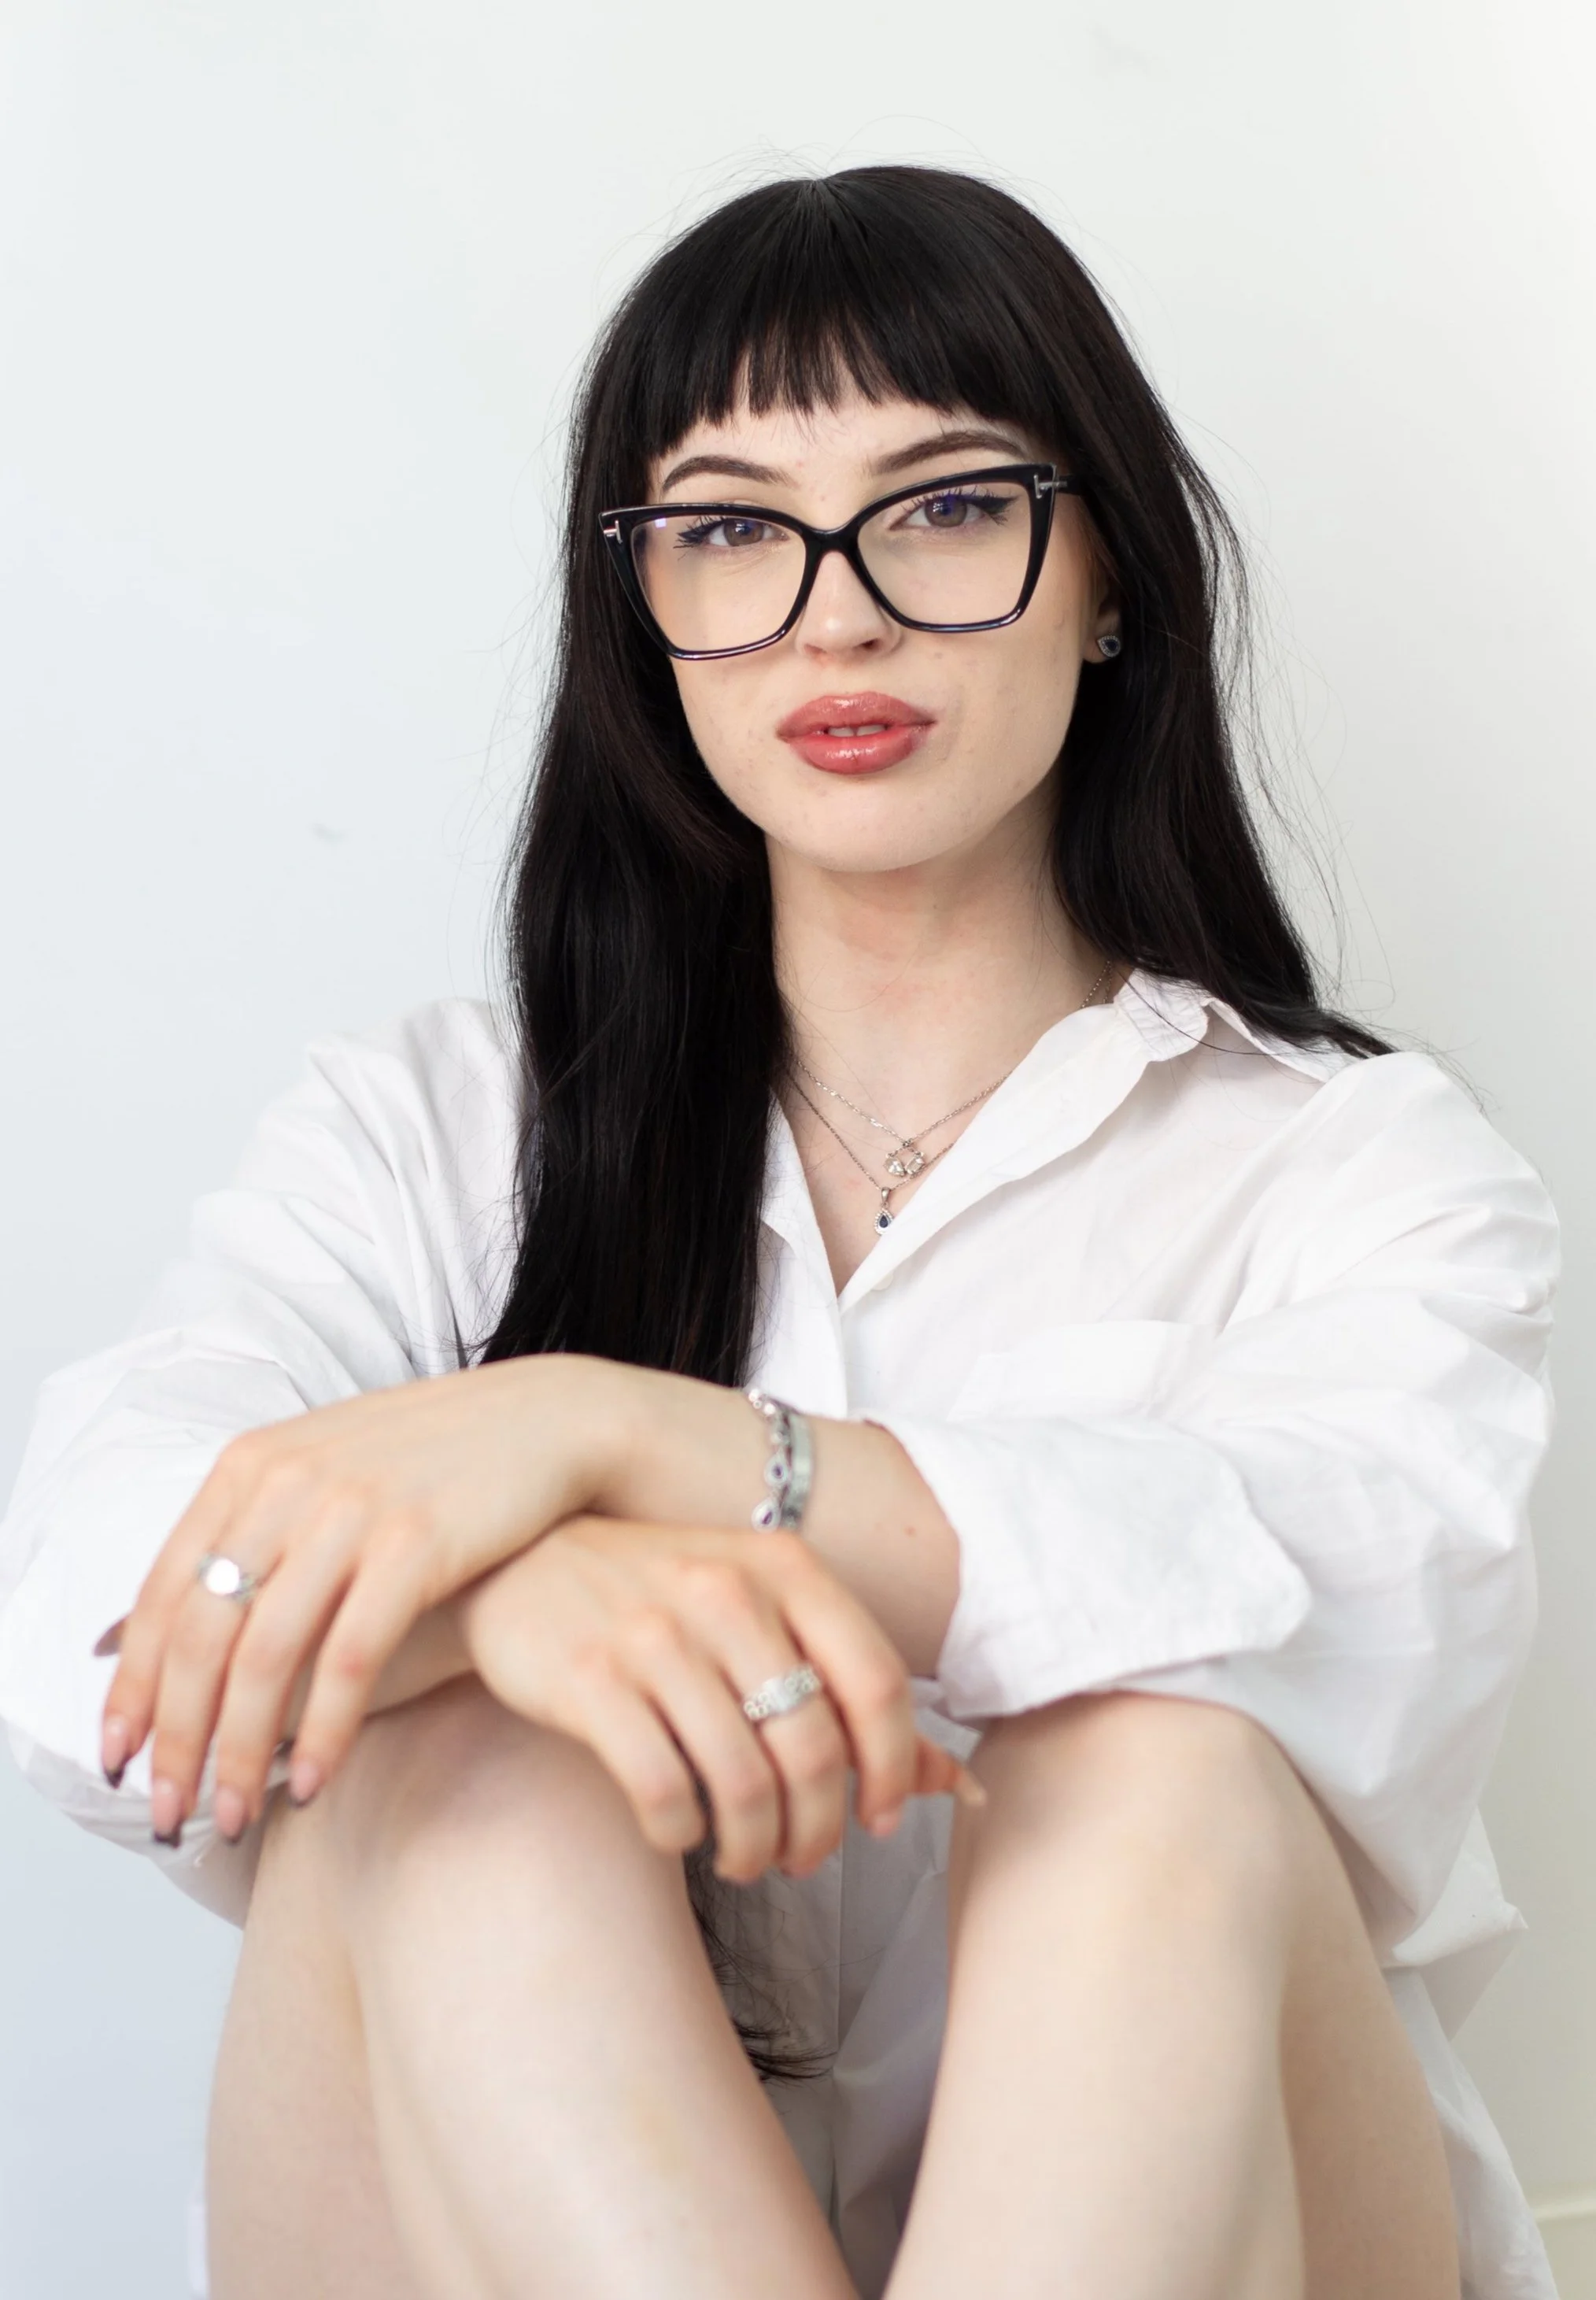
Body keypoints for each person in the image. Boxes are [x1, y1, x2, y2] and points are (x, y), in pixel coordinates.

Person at [0, 165, 1559, 2300]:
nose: (836, 617)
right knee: (447, 1753)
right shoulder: (431, 1132)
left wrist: (619, 1443)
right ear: (642, 614)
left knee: (1154, 1758)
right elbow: (81, 1612)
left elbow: (1338, 1605)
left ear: (1108, 571)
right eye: (729, 528)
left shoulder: (1355, 1165)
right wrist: (513, 1600)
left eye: (946, 506)